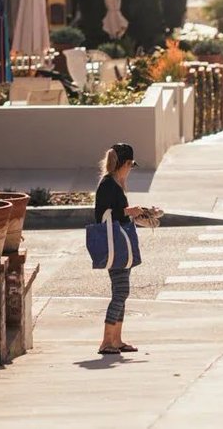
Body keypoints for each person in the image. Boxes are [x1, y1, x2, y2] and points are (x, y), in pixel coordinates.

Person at [94, 142, 150, 355]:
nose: (130, 170)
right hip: (114, 245)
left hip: (119, 244)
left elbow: (116, 211)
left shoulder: (114, 182)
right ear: (124, 163)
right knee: (120, 292)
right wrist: (130, 211)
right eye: (130, 166)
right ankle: (106, 341)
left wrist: (140, 212)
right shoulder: (109, 184)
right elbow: (107, 214)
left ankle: (116, 340)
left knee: (121, 292)